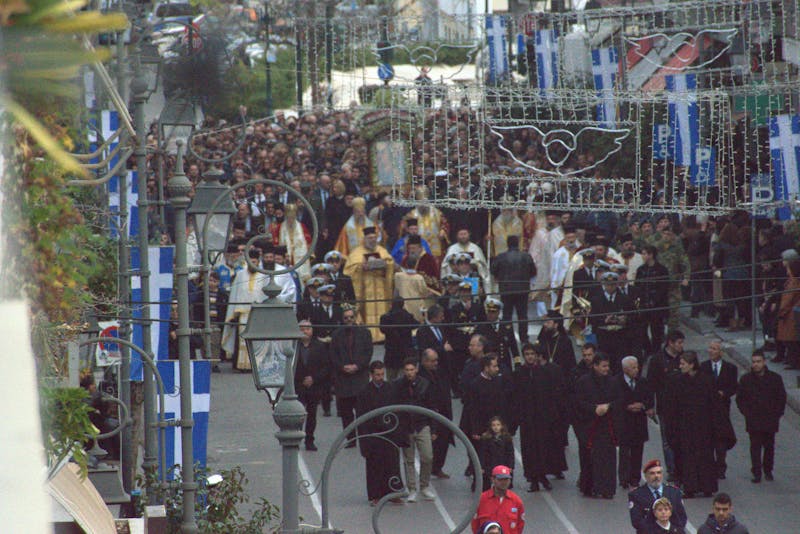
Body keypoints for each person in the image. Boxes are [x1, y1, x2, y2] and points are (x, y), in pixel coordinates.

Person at [513, 343, 568, 492]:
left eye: (532, 354)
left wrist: (552, 415)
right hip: (527, 419)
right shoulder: (519, 373)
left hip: (543, 418)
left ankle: (543, 475)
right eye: (527, 354)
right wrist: (518, 417)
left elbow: (551, 395)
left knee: (543, 448)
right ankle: (533, 479)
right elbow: (516, 397)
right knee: (529, 449)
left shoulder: (544, 373)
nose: (530, 357)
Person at [664, 351, 718, 497]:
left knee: (705, 457)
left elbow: (713, 404)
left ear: (692, 365)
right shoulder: (678, 382)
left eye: (683, 364)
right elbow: (673, 405)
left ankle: (707, 486)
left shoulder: (706, 381)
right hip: (685, 426)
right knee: (687, 458)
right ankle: (690, 487)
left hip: (703, 426)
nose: (680, 366)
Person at [736, 350, 787, 483]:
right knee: (755, 446)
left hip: (770, 418)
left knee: (769, 446)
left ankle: (768, 470)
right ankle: (757, 472)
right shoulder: (746, 379)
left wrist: (777, 414)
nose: (756, 364)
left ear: (764, 362)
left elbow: (781, 397)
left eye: (758, 362)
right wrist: (747, 413)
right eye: (754, 362)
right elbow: (740, 399)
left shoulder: (775, 378)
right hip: (753, 419)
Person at [356, 361, 403, 506]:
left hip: (390, 433)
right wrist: (364, 441)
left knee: (392, 464)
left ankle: (394, 493)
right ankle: (375, 495)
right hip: (373, 434)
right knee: (375, 465)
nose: (380, 377)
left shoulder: (391, 389)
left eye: (382, 374)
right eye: (377, 375)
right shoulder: (364, 392)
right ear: (371, 375)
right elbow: (361, 418)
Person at [574, 353, 619, 498]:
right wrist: (594, 409)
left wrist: (608, 406)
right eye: (603, 366)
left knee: (608, 458)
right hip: (590, 426)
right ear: (595, 366)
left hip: (607, 426)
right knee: (590, 458)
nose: (606, 369)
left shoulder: (612, 381)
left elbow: (619, 399)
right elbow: (578, 402)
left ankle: (607, 488)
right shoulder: (583, 382)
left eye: (607, 366)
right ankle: (590, 487)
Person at [394, 357, 436, 502]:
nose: (409, 373)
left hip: (422, 425)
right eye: (407, 370)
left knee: (427, 456)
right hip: (406, 427)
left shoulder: (425, 384)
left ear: (417, 369)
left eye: (412, 370)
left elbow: (432, 407)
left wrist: (433, 429)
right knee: (409, 460)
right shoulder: (398, 385)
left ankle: (424, 485)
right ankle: (412, 488)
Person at [330, 306, 373, 446]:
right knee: (346, 412)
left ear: (355, 318)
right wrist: (342, 367)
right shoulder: (336, 335)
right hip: (343, 379)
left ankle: (364, 436)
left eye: (351, 317)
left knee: (362, 411)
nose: (349, 320)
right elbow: (333, 355)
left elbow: (368, 353)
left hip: (360, 378)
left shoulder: (365, 333)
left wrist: (357, 366)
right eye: (346, 318)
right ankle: (351, 439)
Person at [344, 226, 395, 342]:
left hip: (380, 288)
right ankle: (368, 336)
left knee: (382, 311)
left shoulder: (382, 250)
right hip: (365, 289)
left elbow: (391, 263)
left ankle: (382, 335)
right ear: (364, 239)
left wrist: (386, 265)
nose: (372, 240)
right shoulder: (356, 253)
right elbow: (348, 271)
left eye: (374, 238)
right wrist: (361, 267)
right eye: (370, 238)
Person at [647, 329, 684, 481]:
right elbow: (651, 384)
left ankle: (682, 468)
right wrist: (650, 405)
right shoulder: (657, 360)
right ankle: (672, 470)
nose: (681, 346)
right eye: (679, 343)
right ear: (670, 343)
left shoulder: (684, 358)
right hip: (665, 407)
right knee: (667, 440)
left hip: (682, 407)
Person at [613, 356, 654, 490]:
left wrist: (643, 405)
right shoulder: (616, 382)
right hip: (624, 422)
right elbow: (614, 399)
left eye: (637, 367)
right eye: (633, 368)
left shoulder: (642, 381)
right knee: (624, 451)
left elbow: (649, 398)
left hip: (638, 422)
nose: (636, 370)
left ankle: (635, 479)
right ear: (625, 369)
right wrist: (627, 406)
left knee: (637, 451)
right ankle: (624, 478)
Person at [699, 340, 738, 479]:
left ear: (721, 352)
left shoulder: (730, 368)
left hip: (722, 410)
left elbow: (734, 387)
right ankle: (710, 467)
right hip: (707, 409)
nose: (711, 351)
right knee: (708, 439)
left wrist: (724, 393)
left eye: (714, 349)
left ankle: (721, 468)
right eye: (710, 348)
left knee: (721, 440)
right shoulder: (703, 367)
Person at [491, 235, 537, 344]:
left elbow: (493, 270)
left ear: (507, 244)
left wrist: (500, 276)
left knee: (506, 315)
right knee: (522, 315)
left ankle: (507, 336)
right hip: (522, 289)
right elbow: (533, 271)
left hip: (506, 290)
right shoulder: (526, 256)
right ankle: (524, 338)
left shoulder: (501, 257)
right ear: (518, 243)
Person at [418, 348, 454, 479]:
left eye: (436, 360)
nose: (435, 363)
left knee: (443, 442)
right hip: (429, 415)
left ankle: (437, 467)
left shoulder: (439, 372)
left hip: (443, 413)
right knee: (429, 446)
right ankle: (428, 470)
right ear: (424, 361)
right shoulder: (420, 376)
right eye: (432, 361)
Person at [295, 320, 330, 451]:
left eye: (307, 329)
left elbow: (326, 366)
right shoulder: (293, 346)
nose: (305, 331)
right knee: (297, 415)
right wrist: (301, 379)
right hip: (298, 386)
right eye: (302, 329)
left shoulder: (320, 346)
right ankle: (296, 438)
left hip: (314, 386)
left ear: (312, 330)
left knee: (312, 414)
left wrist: (313, 378)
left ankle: (309, 440)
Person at [628, 459, 687, 534]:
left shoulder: (674, 492)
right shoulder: (636, 495)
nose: (656, 476)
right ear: (646, 476)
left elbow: (681, 518)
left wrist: (671, 530)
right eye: (652, 473)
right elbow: (637, 521)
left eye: (659, 473)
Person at [588, 271, 630, 372]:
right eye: (608, 285)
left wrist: (624, 319)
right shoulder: (596, 300)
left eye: (613, 285)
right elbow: (592, 319)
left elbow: (633, 316)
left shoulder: (624, 299)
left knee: (619, 364)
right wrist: (604, 320)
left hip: (620, 337)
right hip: (604, 337)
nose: (610, 287)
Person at [636, 245, 670, 355]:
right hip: (643, 305)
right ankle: (648, 350)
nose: (643, 256)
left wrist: (655, 301)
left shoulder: (661, 270)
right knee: (641, 331)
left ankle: (656, 353)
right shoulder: (641, 270)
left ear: (651, 255)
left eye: (645, 253)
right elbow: (637, 286)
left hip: (657, 307)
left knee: (657, 332)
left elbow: (664, 288)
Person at [471, 465, 525, 534]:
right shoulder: (481, 500)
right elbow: (475, 525)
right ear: (492, 479)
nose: (504, 482)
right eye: (500, 479)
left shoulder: (516, 501)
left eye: (506, 479)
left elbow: (520, 526)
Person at [475, 298, 520, 373]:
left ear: (498, 312)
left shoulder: (507, 326)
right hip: (489, 366)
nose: (490, 314)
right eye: (489, 312)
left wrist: (517, 363)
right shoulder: (481, 328)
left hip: (505, 364)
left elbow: (514, 347)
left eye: (493, 312)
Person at [379, 297, 418, 380]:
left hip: (391, 354)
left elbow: (382, 330)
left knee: (391, 379)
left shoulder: (385, 317)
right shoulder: (407, 316)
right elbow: (416, 324)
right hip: (405, 353)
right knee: (404, 379)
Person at [776, 257, 800, 369]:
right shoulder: (792, 281)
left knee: (790, 340)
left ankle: (793, 361)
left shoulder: (793, 282)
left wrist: (781, 311)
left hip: (790, 315)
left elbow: (787, 299)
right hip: (791, 312)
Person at [479, 417, 515, 492]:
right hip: (489, 465)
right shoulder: (486, 438)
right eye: (494, 425)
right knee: (487, 486)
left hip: (503, 464)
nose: (496, 427)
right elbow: (482, 453)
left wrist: (511, 466)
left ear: (502, 426)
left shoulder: (507, 438)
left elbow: (510, 453)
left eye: (498, 425)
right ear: (490, 427)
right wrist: (481, 466)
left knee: (503, 486)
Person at [537, 310, 577, 376]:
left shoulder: (565, 341)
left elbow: (571, 363)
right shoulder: (542, 339)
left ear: (556, 325)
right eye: (545, 322)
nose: (545, 324)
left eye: (548, 322)